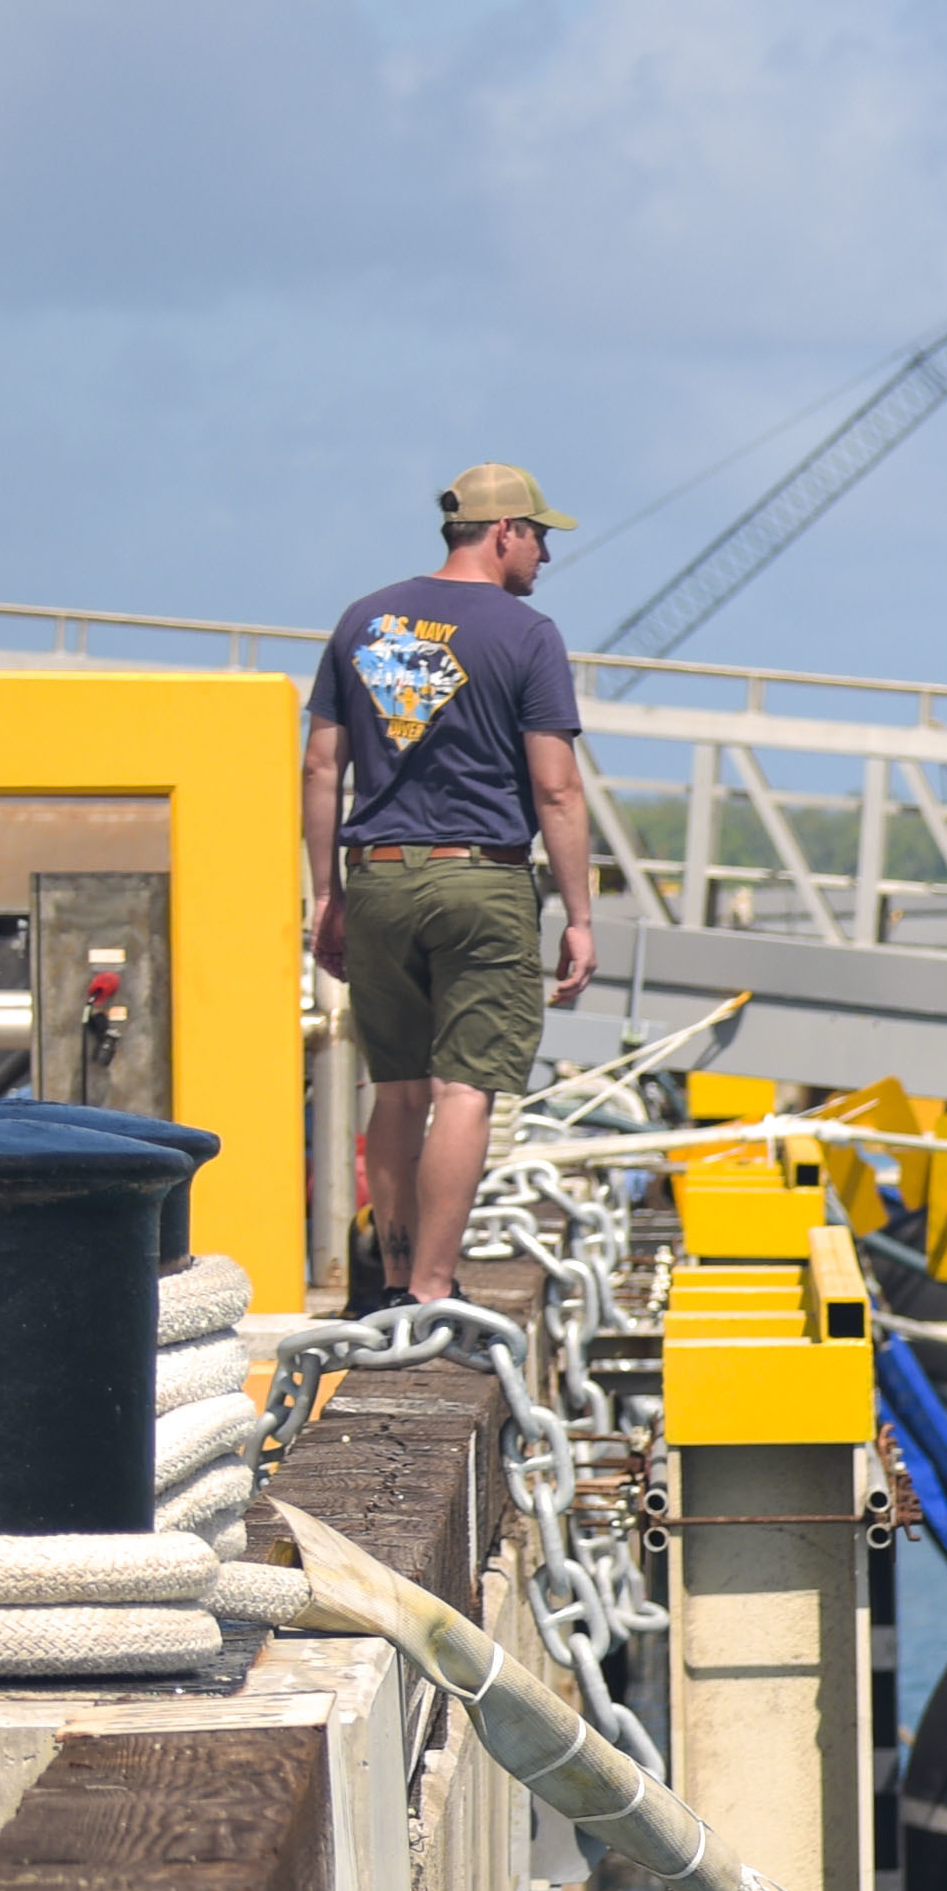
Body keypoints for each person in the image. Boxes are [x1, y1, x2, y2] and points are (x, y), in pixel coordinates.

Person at [298, 465, 604, 1309]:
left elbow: (324, 765)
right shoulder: (527, 634)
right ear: (503, 530)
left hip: (381, 878)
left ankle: (393, 1284)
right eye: (540, 535)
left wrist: (326, 893)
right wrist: (580, 915)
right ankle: (435, 1289)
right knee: (464, 1088)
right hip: (483, 880)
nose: (545, 554)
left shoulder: (364, 621)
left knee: (394, 1089)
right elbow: (557, 789)